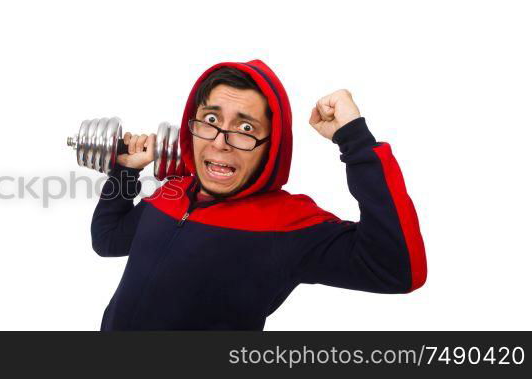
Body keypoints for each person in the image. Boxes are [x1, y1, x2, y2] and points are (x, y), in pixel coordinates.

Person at [91, 60, 426, 330]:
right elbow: (108, 241)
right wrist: (125, 170)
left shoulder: (289, 225)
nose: (220, 141)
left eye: (245, 128)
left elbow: (396, 269)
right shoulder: (172, 192)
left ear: (272, 146)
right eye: (211, 119)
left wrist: (355, 140)